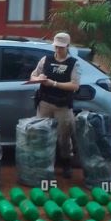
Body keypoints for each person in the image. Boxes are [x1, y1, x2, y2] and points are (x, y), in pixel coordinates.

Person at [30, 32, 80, 178]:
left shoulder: (73, 63)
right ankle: (44, 165)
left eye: (61, 47)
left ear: (67, 46)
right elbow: (32, 76)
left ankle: (66, 163)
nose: (58, 49)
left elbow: (75, 85)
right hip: (45, 103)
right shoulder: (45, 59)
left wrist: (54, 84)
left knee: (64, 137)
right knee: (42, 134)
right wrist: (39, 78)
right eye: (56, 46)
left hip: (62, 106)